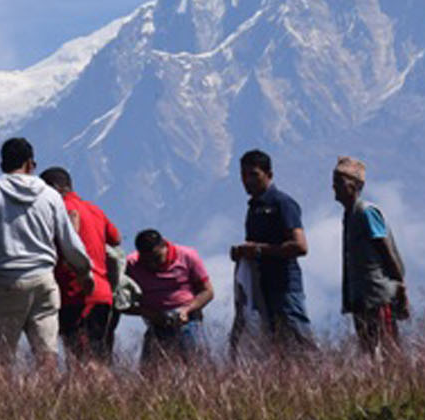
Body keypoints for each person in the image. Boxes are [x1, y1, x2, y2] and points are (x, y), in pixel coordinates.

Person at [0, 141, 92, 371]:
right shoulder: (51, 196)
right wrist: (84, 270)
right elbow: (70, 244)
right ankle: (48, 402)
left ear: (2, 163)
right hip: (44, 281)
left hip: (6, 281)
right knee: (46, 353)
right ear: (31, 164)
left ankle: (0, 403)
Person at [229, 149, 316, 353]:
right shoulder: (254, 208)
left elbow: (300, 246)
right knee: (274, 345)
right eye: (244, 175)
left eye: (254, 175)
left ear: (269, 174)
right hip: (261, 287)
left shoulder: (282, 204)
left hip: (284, 285)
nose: (247, 181)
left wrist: (258, 250)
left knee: (298, 341)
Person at [39, 166, 122, 366]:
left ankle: (92, 396)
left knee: (81, 361)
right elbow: (116, 238)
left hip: (76, 294)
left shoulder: (61, 210)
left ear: (54, 189)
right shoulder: (94, 209)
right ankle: (104, 396)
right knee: (100, 359)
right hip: (102, 294)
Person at [333, 156, 408, 358]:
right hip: (361, 296)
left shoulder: (366, 213)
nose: (334, 187)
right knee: (369, 349)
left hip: (377, 294)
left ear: (355, 185)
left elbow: (386, 250)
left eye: (339, 182)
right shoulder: (349, 215)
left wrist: (400, 286)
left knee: (387, 347)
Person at [125, 230, 214, 369]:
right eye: (146, 261)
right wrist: (151, 314)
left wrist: (186, 310)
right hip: (156, 324)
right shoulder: (131, 264)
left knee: (198, 367)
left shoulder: (187, 256)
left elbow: (207, 291)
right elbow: (121, 303)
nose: (152, 264)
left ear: (164, 247)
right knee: (150, 373)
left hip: (188, 321)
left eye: (156, 258)